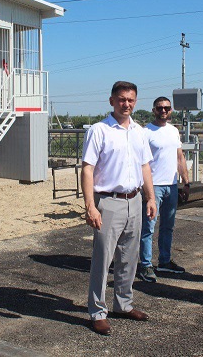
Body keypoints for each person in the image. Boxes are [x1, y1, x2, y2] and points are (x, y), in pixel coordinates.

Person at [81, 81, 158, 336]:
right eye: (122, 99)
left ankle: (123, 304)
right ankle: (97, 312)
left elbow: (145, 167)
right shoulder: (99, 130)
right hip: (108, 201)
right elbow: (87, 169)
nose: (126, 104)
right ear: (112, 101)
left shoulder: (139, 132)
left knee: (128, 258)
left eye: (131, 100)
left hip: (134, 200)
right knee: (103, 260)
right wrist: (90, 206)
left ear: (136, 102)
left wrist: (150, 198)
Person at [136, 97, 191, 283]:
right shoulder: (145, 132)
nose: (163, 111)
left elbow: (179, 158)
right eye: (160, 108)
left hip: (171, 185)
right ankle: (145, 264)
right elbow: (140, 162)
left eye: (167, 108)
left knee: (168, 226)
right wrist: (146, 189)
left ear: (171, 110)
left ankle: (164, 261)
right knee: (148, 227)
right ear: (154, 110)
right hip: (153, 187)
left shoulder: (173, 131)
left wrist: (186, 182)